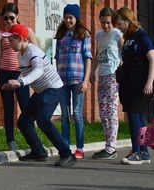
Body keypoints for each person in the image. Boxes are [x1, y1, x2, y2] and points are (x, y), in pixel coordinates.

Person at [1, 24, 76, 166]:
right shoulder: (20, 54)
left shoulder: (33, 52)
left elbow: (38, 71)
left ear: (21, 39)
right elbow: (28, 73)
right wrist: (14, 83)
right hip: (42, 91)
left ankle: (67, 155)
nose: (8, 42)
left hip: (53, 89)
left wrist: (21, 83)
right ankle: (39, 152)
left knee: (43, 119)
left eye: (11, 40)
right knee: (23, 122)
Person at [0, 2, 38, 150]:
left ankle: (32, 141)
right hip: (4, 73)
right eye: (5, 18)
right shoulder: (0, 34)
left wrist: (34, 76)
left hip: (21, 73)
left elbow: (36, 53)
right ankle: (11, 141)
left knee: (26, 107)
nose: (8, 21)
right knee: (8, 108)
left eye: (11, 18)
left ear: (17, 16)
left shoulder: (27, 31)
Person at [113, 7, 154, 165]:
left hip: (141, 84)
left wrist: (150, 82)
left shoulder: (141, 35)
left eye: (119, 23)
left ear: (128, 20)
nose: (118, 27)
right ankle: (143, 152)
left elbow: (152, 59)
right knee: (137, 117)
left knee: (134, 115)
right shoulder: (127, 37)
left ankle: (138, 151)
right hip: (129, 84)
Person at [54, 4, 92, 159]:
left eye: (71, 17)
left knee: (76, 113)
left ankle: (80, 148)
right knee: (64, 115)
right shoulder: (61, 34)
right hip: (62, 80)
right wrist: (56, 78)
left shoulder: (84, 34)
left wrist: (86, 80)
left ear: (76, 18)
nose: (68, 20)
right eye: (66, 17)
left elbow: (87, 58)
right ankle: (65, 147)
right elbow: (56, 58)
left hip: (78, 79)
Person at [90, 7, 124, 160]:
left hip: (113, 75)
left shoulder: (117, 34)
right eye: (103, 23)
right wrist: (92, 71)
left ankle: (111, 147)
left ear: (113, 22)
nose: (106, 26)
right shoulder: (98, 35)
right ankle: (107, 145)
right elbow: (97, 55)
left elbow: (124, 51)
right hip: (102, 75)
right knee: (103, 113)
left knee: (111, 111)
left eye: (109, 22)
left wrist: (122, 67)